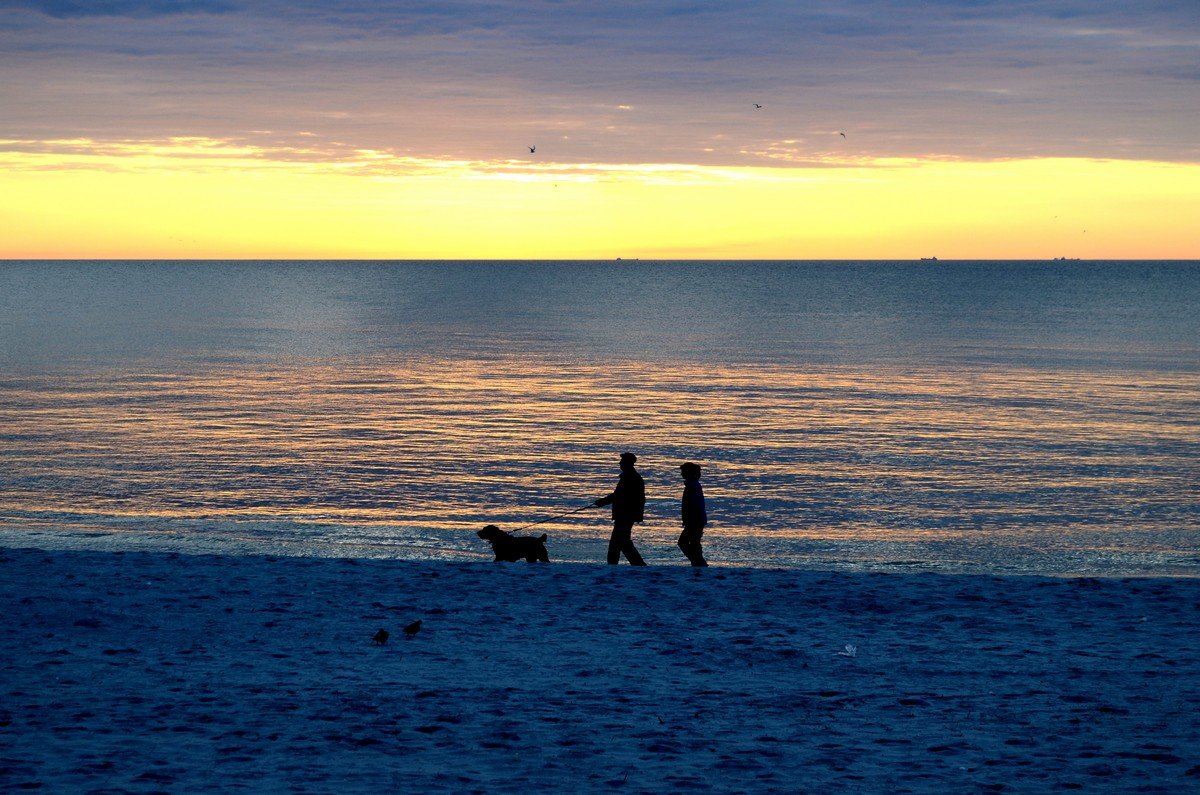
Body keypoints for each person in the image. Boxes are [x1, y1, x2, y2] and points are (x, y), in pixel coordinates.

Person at [594, 452, 647, 565]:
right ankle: (638, 565)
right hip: (626, 515)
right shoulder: (630, 477)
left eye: (622, 461)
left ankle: (615, 566)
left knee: (616, 543)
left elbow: (619, 496)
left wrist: (602, 502)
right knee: (624, 543)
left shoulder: (631, 478)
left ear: (627, 463)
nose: (620, 463)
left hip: (625, 515)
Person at [677, 462, 708, 567]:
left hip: (694, 520)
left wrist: (689, 520)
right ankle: (698, 562)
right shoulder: (693, 485)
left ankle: (698, 562)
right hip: (696, 520)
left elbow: (694, 505)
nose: (681, 474)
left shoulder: (692, 486)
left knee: (684, 542)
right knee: (694, 543)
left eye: (683, 472)